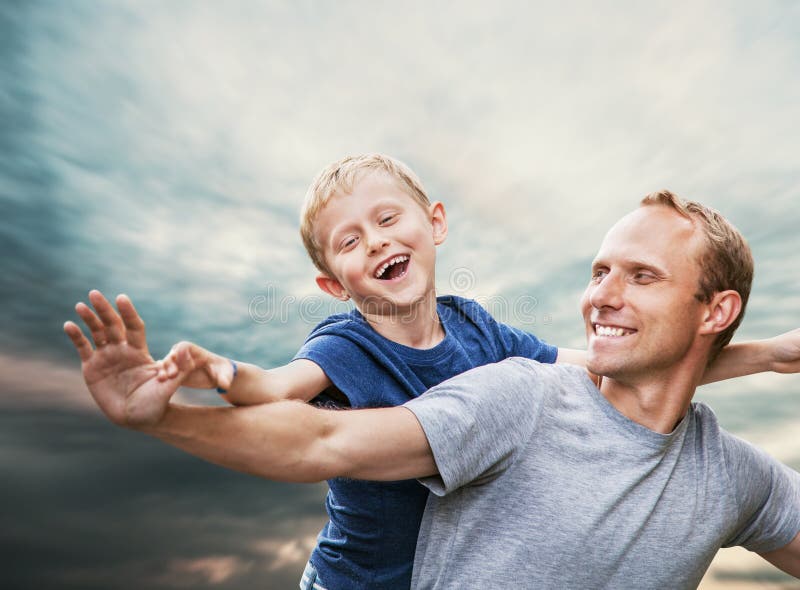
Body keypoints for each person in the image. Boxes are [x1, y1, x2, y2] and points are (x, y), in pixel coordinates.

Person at [65, 190, 800, 589]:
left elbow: (625, 365)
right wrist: (178, 408)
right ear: (331, 282)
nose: (602, 296)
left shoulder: (736, 479)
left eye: (640, 276)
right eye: (598, 271)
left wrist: (769, 354)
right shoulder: (502, 393)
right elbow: (315, 432)